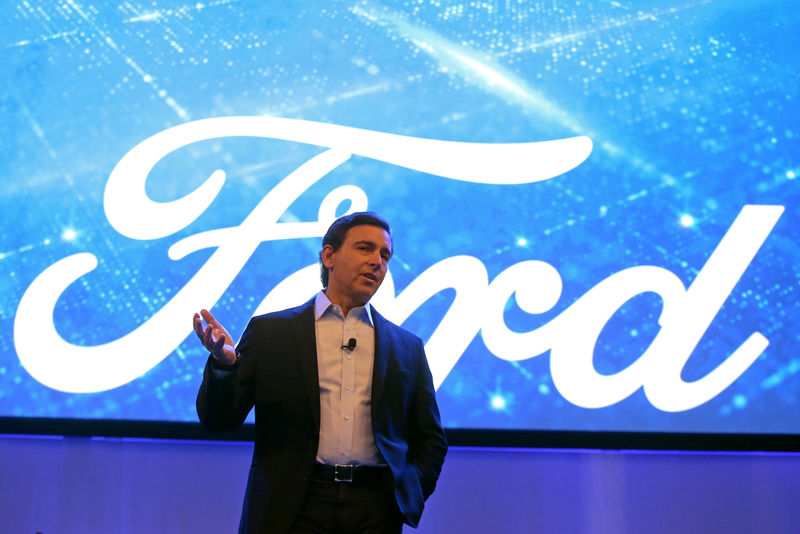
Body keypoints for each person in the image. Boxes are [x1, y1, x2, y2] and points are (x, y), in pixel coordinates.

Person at [194, 211, 448, 534]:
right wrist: (224, 365)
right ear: (329, 255)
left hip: (374, 509)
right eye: (365, 249)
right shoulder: (272, 333)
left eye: (385, 255)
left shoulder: (406, 347)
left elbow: (431, 439)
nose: (377, 262)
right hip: (292, 505)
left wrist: (404, 494)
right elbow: (218, 419)